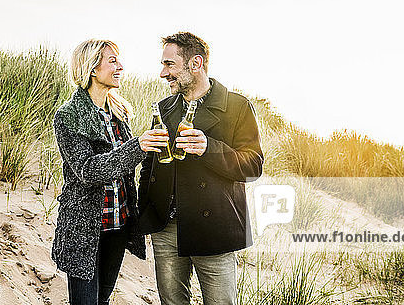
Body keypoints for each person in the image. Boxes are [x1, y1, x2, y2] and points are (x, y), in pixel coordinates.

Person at [137, 32, 264, 305]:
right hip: (166, 229)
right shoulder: (163, 108)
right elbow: (150, 166)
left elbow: (253, 166)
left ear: (196, 63)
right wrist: (145, 213)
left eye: (169, 64)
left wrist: (210, 148)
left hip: (214, 231)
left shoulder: (237, 107)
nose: (162, 73)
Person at [52, 39, 169, 305]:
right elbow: (87, 170)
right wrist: (137, 147)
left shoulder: (119, 112)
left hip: (118, 224)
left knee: (102, 300)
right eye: (112, 61)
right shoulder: (68, 116)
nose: (121, 67)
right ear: (92, 68)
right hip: (84, 228)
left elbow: (125, 167)